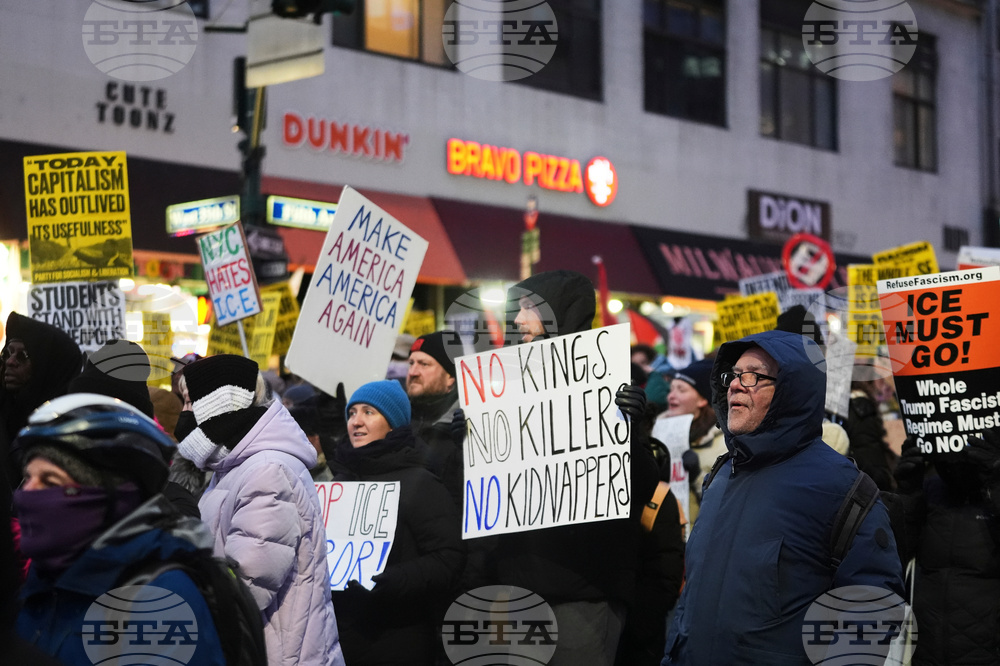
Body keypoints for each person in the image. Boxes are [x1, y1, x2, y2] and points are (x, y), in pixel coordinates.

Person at [662, 329, 903, 665]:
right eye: (733, 375)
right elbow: (695, 597)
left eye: (753, 376)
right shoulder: (720, 476)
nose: (734, 384)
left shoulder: (842, 488)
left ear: (791, 391)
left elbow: (871, 609)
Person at [492, 269, 660, 666]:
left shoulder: (607, 385)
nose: (517, 321)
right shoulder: (507, 387)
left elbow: (640, 487)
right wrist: (465, 439)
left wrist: (631, 433)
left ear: (560, 313)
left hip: (582, 592)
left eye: (529, 308)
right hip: (515, 587)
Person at [13, 393, 227, 664]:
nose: (27, 493)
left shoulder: (158, 603)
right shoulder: (46, 572)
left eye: (50, 481)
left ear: (110, 496)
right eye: (28, 477)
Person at [177, 354, 345, 666]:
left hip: (279, 654)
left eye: (190, 402)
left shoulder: (266, 470)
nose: (184, 413)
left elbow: (248, 584)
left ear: (217, 404)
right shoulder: (234, 466)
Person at [329, 379, 465, 665]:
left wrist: (395, 580)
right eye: (352, 413)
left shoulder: (420, 481)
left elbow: (448, 558)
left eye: (369, 412)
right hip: (342, 641)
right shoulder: (338, 484)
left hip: (400, 639)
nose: (356, 421)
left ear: (393, 423)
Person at [890, 429, 1000, 664]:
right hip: (926, 653)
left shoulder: (993, 487)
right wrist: (908, 494)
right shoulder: (931, 489)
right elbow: (893, 557)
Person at [0, 311, 82, 491]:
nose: (10, 362)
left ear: (50, 368)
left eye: (23, 356)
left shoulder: (68, 435)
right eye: (7, 353)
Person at [658, 358, 723, 524]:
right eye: (671, 389)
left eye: (681, 390)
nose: (672, 396)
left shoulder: (722, 445)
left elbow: (725, 505)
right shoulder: (657, 437)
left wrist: (697, 477)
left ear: (702, 399)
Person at [405, 330, 467, 506]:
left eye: (424, 364)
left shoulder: (467, 424)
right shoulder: (396, 422)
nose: (413, 372)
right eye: (411, 363)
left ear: (450, 377)